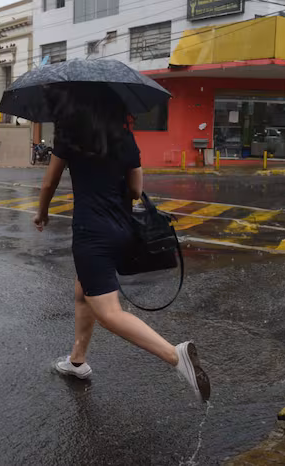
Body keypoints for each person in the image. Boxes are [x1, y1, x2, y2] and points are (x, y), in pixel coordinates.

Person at [33, 83, 210, 403]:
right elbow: (135, 188)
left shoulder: (69, 135)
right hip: (122, 228)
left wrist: (42, 213)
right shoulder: (124, 137)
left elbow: (49, 181)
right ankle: (77, 360)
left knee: (109, 312)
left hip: (92, 233)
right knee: (84, 290)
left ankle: (175, 356)